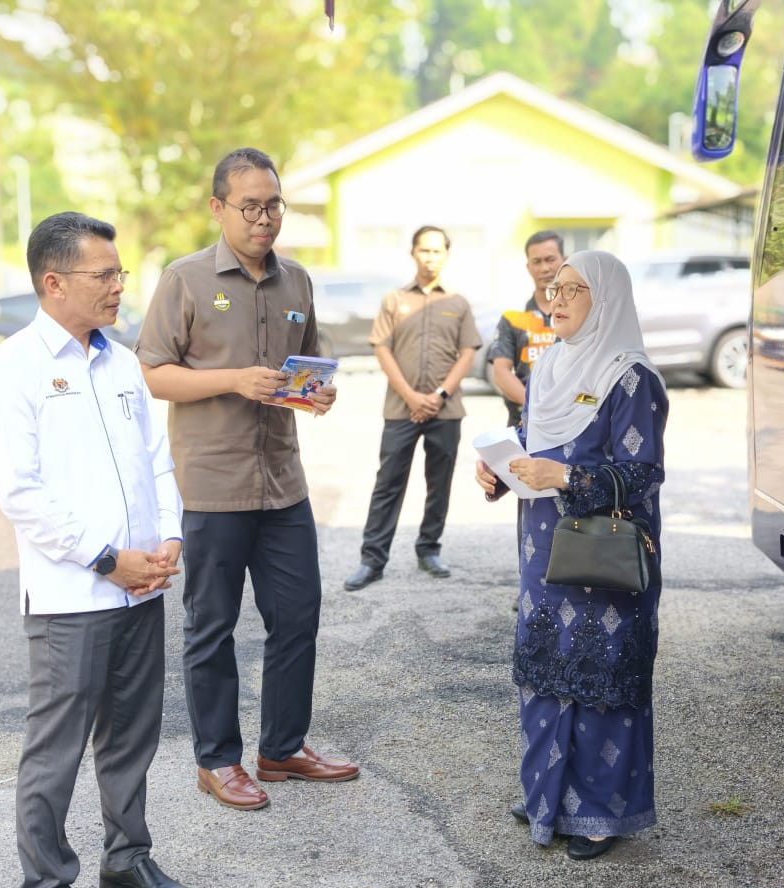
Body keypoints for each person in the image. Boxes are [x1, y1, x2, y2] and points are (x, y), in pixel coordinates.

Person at [0, 211, 197, 888]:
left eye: (118, 273)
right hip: (74, 596)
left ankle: (126, 859)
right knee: (57, 751)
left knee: (133, 732)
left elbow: (157, 460)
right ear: (54, 281)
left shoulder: (123, 361)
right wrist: (106, 559)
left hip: (141, 585)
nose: (118, 286)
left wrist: (168, 536)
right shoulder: (13, 367)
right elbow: (22, 493)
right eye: (104, 275)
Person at [137, 147, 358, 814]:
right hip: (213, 486)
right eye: (251, 207)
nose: (265, 220)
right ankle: (217, 760)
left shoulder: (297, 282)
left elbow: (307, 365)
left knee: (298, 616)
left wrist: (316, 395)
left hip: (283, 482)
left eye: (274, 206)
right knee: (212, 628)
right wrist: (233, 380)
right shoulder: (185, 279)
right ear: (218, 208)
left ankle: (282, 748)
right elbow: (152, 374)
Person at [475, 250, 668, 861]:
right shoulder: (548, 366)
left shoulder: (631, 378)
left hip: (604, 554)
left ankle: (598, 813)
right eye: (553, 289)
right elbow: (533, 443)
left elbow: (642, 472)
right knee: (544, 670)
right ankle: (547, 796)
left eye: (572, 290)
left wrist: (565, 477)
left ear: (604, 299)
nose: (554, 300)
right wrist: (502, 470)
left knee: (601, 675)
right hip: (543, 549)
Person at [343, 226, 482, 591]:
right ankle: (372, 560)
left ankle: (429, 549)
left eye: (437, 251)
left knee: (439, 483)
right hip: (400, 409)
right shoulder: (394, 300)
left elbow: (467, 353)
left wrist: (439, 395)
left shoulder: (458, 303)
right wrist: (411, 397)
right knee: (388, 483)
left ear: (446, 255)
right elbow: (382, 349)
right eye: (424, 250)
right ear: (413, 253)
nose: (430, 257)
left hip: (445, 411)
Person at [487, 230, 565, 428]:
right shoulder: (513, 318)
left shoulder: (582, 316)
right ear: (528, 267)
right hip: (524, 421)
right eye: (537, 262)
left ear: (565, 261)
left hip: (570, 421)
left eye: (550, 259)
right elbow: (500, 372)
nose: (544, 268)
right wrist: (535, 408)